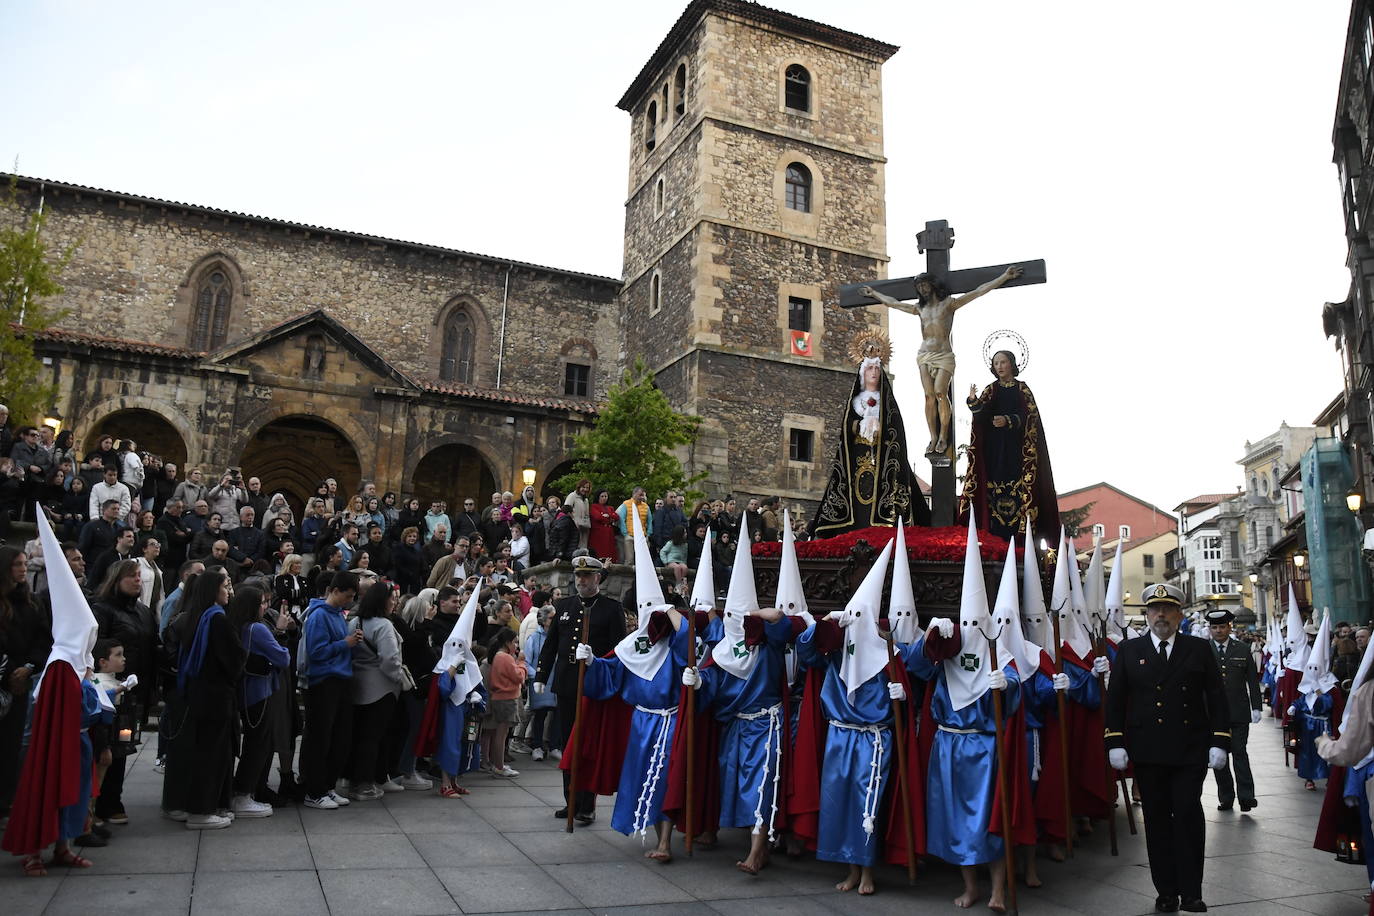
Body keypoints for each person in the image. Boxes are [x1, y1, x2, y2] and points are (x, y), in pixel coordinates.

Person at [1105, 583, 1231, 914]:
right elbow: (1116, 699)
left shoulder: (1198, 648)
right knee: (1158, 821)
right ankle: (1166, 891)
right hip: (1148, 751)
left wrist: (1220, 740)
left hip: (1190, 748)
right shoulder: (1130, 651)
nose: (1160, 615)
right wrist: (1114, 740)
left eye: (1167, 608)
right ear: (1146, 614)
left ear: (1179, 614)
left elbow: (1216, 697)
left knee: (1188, 814)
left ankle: (1191, 891)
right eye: (1154, 609)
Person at [860, 264, 1023, 455]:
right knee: (928, 396)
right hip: (924, 355)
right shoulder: (919, 309)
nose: (921, 289)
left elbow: (979, 291)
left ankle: (944, 435)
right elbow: (893, 303)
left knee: (939, 393)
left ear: (933, 285)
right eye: (919, 286)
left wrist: (1004, 276)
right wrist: (874, 294)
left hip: (944, 355)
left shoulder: (949, 304)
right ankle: (934, 436)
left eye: (924, 284)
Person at [809, 332, 931, 538]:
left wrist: (879, 427)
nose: (872, 373)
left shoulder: (887, 402)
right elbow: (846, 427)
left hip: (882, 459)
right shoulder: (856, 399)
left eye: (876, 369)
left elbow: (895, 432)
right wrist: (858, 426)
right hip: (858, 456)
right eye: (868, 369)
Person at [533, 555, 626, 823]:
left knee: (587, 745)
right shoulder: (564, 605)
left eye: (587, 576)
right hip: (566, 683)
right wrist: (541, 674)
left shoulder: (610, 609)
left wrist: (598, 662)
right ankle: (570, 800)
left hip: (592, 687)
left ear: (598, 578)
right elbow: (550, 646)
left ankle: (587, 804)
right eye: (578, 576)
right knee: (567, 743)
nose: (581, 580)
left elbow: (618, 651)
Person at [164, 567, 245, 829]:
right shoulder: (217, 619)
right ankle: (201, 810)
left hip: (200, 693)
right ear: (213, 590)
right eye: (224, 586)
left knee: (207, 751)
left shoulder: (200, 616)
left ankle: (205, 805)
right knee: (212, 754)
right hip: (216, 695)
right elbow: (233, 659)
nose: (228, 591)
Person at [959, 348, 1060, 544]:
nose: (1000, 367)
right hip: (994, 452)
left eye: (1003, 362)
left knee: (1018, 490)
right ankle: (993, 536)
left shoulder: (1023, 389)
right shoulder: (991, 389)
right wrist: (973, 402)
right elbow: (981, 416)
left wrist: (1009, 420)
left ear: (1012, 364)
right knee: (992, 491)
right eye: (996, 363)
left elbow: (1030, 418)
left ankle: (1019, 536)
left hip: (1017, 453)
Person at [298, 571, 363, 810]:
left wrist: (351, 643)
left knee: (340, 738)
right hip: (323, 682)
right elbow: (316, 652)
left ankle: (327, 786)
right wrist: (345, 643)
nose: (349, 601)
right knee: (321, 738)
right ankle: (314, 791)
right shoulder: (318, 616)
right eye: (347, 596)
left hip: (340, 679)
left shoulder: (338, 615)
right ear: (334, 591)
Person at [229, 584, 290, 817]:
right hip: (260, 691)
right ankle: (244, 794)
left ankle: (245, 791)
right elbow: (282, 658)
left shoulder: (237, 625)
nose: (265, 606)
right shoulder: (258, 628)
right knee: (258, 744)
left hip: (246, 691)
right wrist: (281, 632)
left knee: (255, 743)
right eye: (262, 603)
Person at [347, 582, 405, 799]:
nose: (395, 601)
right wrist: (399, 678)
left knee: (361, 735)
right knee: (373, 738)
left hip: (357, 684)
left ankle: (361, 779)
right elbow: (390, 659)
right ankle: (365, 783)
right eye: (392, 598)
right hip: (381, 688)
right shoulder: (384, 625)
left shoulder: (355, 621)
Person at [1204, 609, 1262, 812]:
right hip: (1212, 714)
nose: (1218, 630)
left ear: (1229, 627)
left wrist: (1256, 706)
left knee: (1239, 753)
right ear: (1210, 629)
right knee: (1218, 756)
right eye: (1214, 627)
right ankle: (1226, 797)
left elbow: (1253, 681)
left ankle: (1246, 797)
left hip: (1238, 712)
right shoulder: (1203, 650)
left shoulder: (1242, 649)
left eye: (1222, 626)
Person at [481, 627, 526, 777]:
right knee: (501, 734)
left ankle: (496, 763)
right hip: (506, 698)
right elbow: (518, 677)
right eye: (515, 642)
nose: (516, 646)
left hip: (500, 698)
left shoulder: (498, 656)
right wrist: (521, 663)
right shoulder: (505, 657)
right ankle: (499, 766)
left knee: (498, 734)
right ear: (507, 642)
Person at [588, 489, 617, 561]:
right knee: (599, 550)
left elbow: (616, 517)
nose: (604, 498)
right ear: (598, 497)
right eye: (602, 496)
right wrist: (609, 518)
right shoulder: (594, 506)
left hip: (609, 533)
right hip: (598, 533)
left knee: (609, 550)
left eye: (606, 496)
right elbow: (598, 517)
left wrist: (608, 515)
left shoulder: (610, 508)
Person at [565, 478, 593, 550]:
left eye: (587, 488)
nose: (585, 489)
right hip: (574, 526)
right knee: (574, 546)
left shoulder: (586, 500)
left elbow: (587, 514)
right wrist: (573, 521)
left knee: (583, 547)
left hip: (584, 527)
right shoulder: (572, 496)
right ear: (579, 487)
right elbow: (566, 509)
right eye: (583, 487)